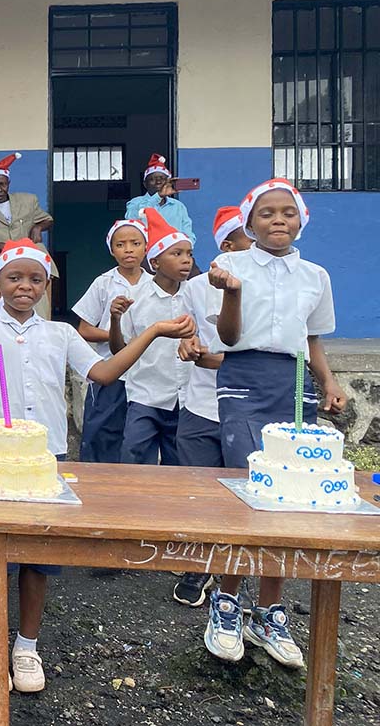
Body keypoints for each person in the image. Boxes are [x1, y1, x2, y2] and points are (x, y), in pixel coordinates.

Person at [0, 239, 194, 693]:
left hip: (45, 457)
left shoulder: (60, 334)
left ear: (48, 287)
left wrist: (151, 332)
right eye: (14, 278)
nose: (25, 286)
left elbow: (104, 373)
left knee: (38, 561)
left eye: (35, 279)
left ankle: (26, 644)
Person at [201, 178, 346, 670]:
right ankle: (226, 603)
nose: (278, 220)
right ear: (249, 222)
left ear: (301, 219)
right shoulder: (229, 267)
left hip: (296, 381)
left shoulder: (316, 276)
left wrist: (328, 382)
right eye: (266, 213)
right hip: (244, 376)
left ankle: (269, 611)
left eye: (287, 212)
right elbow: (226, 335)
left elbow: (313, 338)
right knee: (250, 488)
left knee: (288, 489)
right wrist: (233, 292)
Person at [170, 206, 252, 608]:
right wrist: (188, 346)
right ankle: (199, 564)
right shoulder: (196, 287)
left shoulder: (272, 286)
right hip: (202, 403)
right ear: (228, 246)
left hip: (252, 408)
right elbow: (187, 335)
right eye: (248, 238)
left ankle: (237, 567)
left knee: (244, 490)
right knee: (199, 486)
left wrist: (223, 360)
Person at [108, 209, 195, 466]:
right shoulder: (136, 298)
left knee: (179, 466)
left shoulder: (197, 295)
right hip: (145, 395)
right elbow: (118, 350)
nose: (186, 261)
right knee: (134, 457)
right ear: (155, 263)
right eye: (176, 254)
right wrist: (114, 320)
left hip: (186, 397)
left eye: (189, 254)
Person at [72, 220, 147, 463]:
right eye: (121, 244)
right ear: (111, 250)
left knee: (137, 437)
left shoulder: (155, 284)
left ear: (146, 248)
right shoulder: (103, 283)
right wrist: (122, 338)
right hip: (110, 370)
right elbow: (84, 329)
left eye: (135, 244)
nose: (128, 250)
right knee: (101, 433)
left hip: (147, 374)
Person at [0, 153, 53, 260]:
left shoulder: (28, 201)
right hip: (0, 263)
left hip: (30, 257)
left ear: (9, 183)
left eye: (3, 184)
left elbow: (48, 221)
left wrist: (38, 228)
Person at [125, 153, 195, 244]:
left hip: (173, 253)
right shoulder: (135, 203)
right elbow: (132, 220)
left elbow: (188, 233)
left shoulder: (178, 206)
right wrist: (158, 196)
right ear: (145, 184)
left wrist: (186, 248)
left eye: (162, 178)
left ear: (168, 182)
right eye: (152, 179)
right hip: (146, 254)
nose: (158, 181)